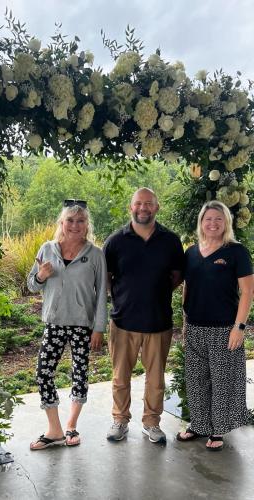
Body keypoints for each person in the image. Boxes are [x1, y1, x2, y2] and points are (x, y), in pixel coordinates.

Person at [104, 187, 184, 444]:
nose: (143, 208)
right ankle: (120, 420)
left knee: (156, 380)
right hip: (123, 323)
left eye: (148, 203)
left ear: (156, 208)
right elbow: (106, 279)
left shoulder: (170, 240)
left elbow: (176, 276)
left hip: (158, 322)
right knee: (120, 377)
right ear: (131, 207)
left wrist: (154, 293)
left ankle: (152, 423)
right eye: (138, 203)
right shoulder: (115, 241)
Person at [27, 199, 108, 450]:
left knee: (79, 373)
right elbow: (31, 284)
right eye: (70, 220)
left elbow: (102, 292)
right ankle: (54, 429)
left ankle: (71, 425)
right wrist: (41, 275)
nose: (75, 225)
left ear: (87, 225)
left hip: (83, 325)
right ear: (62, 223)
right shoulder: (47, 249)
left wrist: (99, 328)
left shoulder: (95, 254)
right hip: (55, 322)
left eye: (80, 221)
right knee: (43, 372)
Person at [176, 200, 253, 451]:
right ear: (201, 222)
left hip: (224, 329)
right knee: (196, 380)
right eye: (208, 219)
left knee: (223, 381)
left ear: (226, 223)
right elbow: (188, 287)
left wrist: (239, 327)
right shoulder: (191, 252)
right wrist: (186, 322)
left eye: (218, 219)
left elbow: (248, 291)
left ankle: (218, 430)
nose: (213, 223)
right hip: (196, 326)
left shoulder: (236, 252)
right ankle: (198, 424)